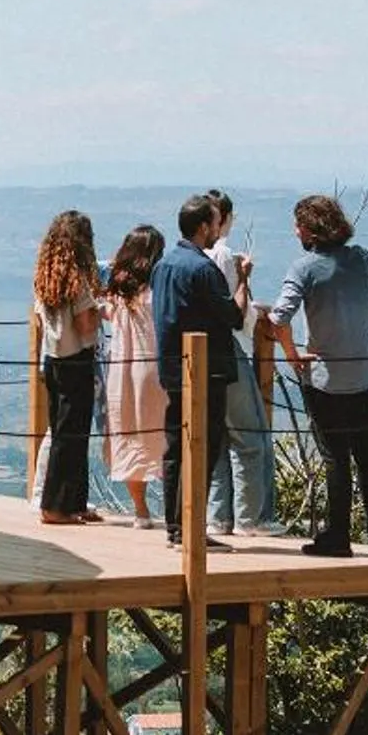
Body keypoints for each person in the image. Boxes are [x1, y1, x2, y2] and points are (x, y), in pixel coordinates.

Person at [261, 193, 368, 558]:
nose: (295, 231)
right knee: (366, 456)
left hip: (325, 379)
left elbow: (278, 319)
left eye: (299, 225)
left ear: (312, 230)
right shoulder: (362, 260)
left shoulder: (304, 269)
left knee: (335, 458)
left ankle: (337, 537)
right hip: (363, 374)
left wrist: (292, 356)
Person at [150, 193, 242, 549]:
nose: (219, 228)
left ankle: (175, 528)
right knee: (202, 448)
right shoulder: (204, 269)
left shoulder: (164, 264)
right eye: (217, 222)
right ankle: (191, 528)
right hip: (206, 371)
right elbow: (232, 318)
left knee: (175, 448)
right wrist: (243, 282)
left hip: (172, 368)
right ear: (204, 227)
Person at [199, 190, 276, 536]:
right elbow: (235, 311)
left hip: (203, 354)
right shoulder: (224, 254)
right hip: (232, 350)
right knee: (250, 437)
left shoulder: (192, 255)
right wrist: (244, 276)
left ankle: (218, 517)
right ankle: (251, 518)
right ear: (226, 219)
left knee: (216, 439)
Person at [33, 209, 107, 524]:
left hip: (53, 358)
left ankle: (73, 502)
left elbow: (39, 319)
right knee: (71, 436)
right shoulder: (77, 280)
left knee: (66, 432)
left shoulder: (45, 277)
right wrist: (101, 312)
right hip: (77, 358)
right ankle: (54, 506)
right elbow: (86, 325)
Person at [99, 224, 167, 527]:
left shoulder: (118, 286)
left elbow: (110, 313)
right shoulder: (159, 286)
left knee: (128, 432)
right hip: (154, 364)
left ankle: (141, 511)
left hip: (121, 369)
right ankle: (179, 508)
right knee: (166, 434)